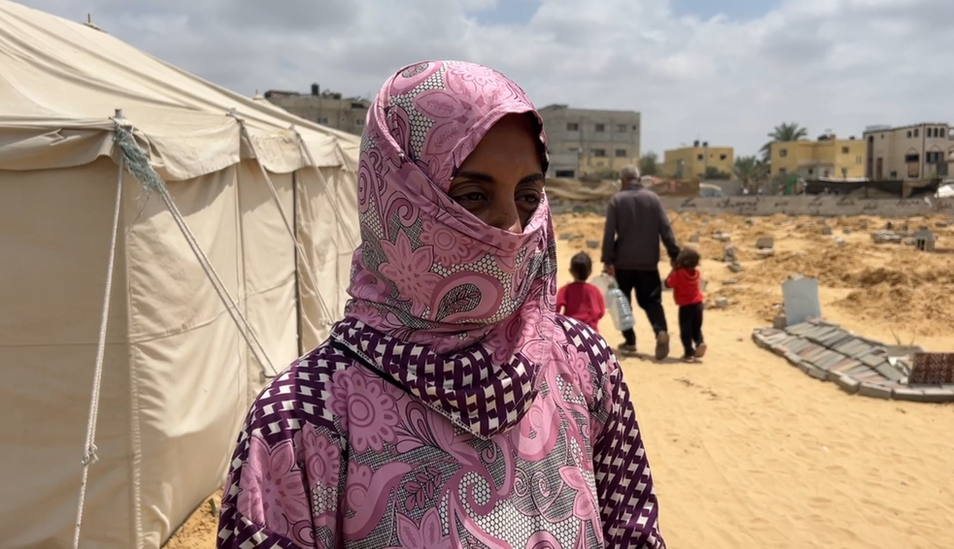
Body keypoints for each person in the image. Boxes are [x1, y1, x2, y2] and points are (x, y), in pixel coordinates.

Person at [217, 61, 666, 549]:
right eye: (472, 195)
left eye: (528, 196)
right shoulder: (301, 421)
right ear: (396, 200)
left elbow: (634, 532)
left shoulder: (581, 364)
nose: (511, 229)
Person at [601, 165, 680, 359]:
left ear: (623, 180)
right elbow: (666, 228)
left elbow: (609, 233)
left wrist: (608, 260)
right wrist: (674, 254)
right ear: (638, 179)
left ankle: (630, 341)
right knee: (652, 301)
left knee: (622, 303)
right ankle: (660, 331)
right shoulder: (653, 199)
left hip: (623, 263)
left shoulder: (617, 200)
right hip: (648, 262)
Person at [664, 247, 706, 363]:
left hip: (686, 307)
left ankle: (689, 353)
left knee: (685, 331)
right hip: (698, 304)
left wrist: (673, 269)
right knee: (696, 329)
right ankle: (700, 342)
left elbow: (667, 283)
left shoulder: (678, 274)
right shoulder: (697, 273)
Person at [556, 251, 605, 332]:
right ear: (590, 272)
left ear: (571, 271)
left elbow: (555, 307)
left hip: (571, 331)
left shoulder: (565, 290)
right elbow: (601, 312)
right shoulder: (595, 290)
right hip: (591, 333)